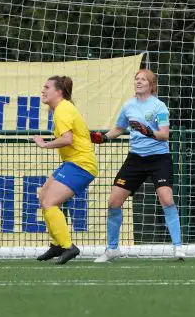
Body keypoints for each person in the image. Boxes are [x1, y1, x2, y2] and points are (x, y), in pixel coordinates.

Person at [90, 69, 184, 262]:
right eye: (137, 79)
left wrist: (147, 131)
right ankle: (112, 249)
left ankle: (178, 247)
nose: (139, 82)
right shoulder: (128, 106)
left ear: (151, 85)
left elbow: (165, 135)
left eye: (143, 79)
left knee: (167, 200)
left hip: (159, 158)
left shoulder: (159, 107)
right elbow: (119, 128)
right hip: (135, 159)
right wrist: (104, 137)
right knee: (113, 202)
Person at [32, 76, 98, 265]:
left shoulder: (62, 109)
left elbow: (67, 139)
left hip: (81, 164)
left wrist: (44, 145)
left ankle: (68, 246)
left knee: (50, 202)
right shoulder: (63, 108)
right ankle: (57, 244)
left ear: (58, 92)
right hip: (74, 162)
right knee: (44, 196)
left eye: (46, 87)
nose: (42, 91)